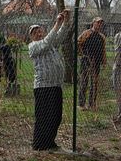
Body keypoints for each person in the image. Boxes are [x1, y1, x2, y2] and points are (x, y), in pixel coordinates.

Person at [28, 9, 71, 151]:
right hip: (43, 87)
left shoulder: (51, 44)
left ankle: (50, 143)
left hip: (55, 85)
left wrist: (66, 21)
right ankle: (39, 145)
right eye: (35, 32)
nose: (39, 33)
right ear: (31, 37)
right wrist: (57, 23)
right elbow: (47, 42)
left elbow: (59, 36)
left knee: (55, 116)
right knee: (43, 117)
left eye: (40, 30)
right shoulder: (34, 46)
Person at [77, 16, 106, 110]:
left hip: (96, 62)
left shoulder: (102, 37)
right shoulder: (86, 33)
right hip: (86, 60)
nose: (99, 24)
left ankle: (92, 104)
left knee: (94, 83)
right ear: (93, 23)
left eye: (101, 23)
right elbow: (78, 43)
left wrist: (104, 61)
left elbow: (103, 50)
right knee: (83, 82)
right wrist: (82, 54)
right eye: (98, 22)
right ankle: (81, 104)